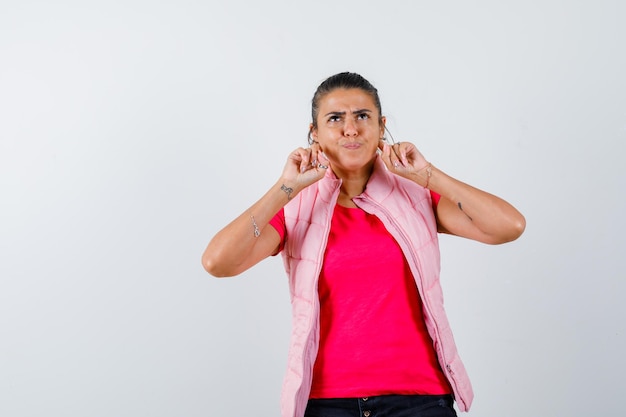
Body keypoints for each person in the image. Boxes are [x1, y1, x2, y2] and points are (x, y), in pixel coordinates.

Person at [202, 72, 525, 417]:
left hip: (420, 400)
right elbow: (218, 262)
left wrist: (428, 175)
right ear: (315, 133)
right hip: (327, 403)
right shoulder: (297, 208)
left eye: (362, 116)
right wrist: (286, 188)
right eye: (335, 118)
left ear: (381, 126)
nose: (350, 129)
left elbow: (509, 226)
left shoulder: (416, 197)